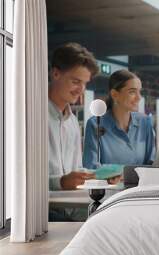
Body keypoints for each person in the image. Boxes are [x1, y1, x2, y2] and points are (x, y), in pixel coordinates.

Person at [49, 42, 98, 190]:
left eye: (85, 84)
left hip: (70, 207)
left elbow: (76, 169)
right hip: (40, 208)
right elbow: (17, 174)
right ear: (56, 73)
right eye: (76, 82)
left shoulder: (73, 122)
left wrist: (100, 176)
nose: (81, 90)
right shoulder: (32, 116)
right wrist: (61, 182)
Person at [83, 70, 155, 169]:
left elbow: (152, 162)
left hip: (142, 184)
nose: (139, 97)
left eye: (140, 91)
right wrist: (119, 175)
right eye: (132, 92)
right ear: (114, 94)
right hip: (109, 184)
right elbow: (91, 167)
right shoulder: (95, 124)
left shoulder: (145, 123)